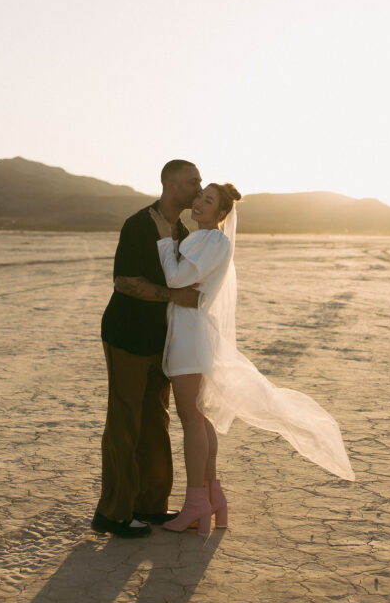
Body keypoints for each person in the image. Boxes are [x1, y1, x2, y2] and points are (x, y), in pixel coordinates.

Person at [150, 182, 355, 535]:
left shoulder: (212, 241)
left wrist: (165, 239)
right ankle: (213, 497)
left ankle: (197, 502)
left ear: (221, 213)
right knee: (201, 418)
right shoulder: (208, 240)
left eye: (208, 201)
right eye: (199, 196)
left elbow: (175, 277)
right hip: (194, 335)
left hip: (189, 340)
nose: (199, 202)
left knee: (192, 421)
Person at [91, 160, 203, 538]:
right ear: (171, 185)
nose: (199, 188)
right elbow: (125, 282)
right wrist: (175, 296)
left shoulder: (183, 230)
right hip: (126, 335)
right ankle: (113, 513)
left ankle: (150, 505)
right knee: (125, 422)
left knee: (156, 420)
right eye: (193, 182)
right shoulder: (138, 224)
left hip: (161, 341)